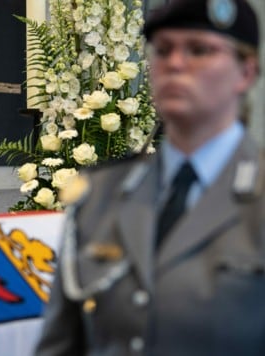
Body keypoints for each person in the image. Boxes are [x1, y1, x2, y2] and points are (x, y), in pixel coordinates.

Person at [35, 0, 264, 354]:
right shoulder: (101, 192)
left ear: (246, 72)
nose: (174, 63)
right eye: (163, 49)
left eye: (199, 50)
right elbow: (61, 344)